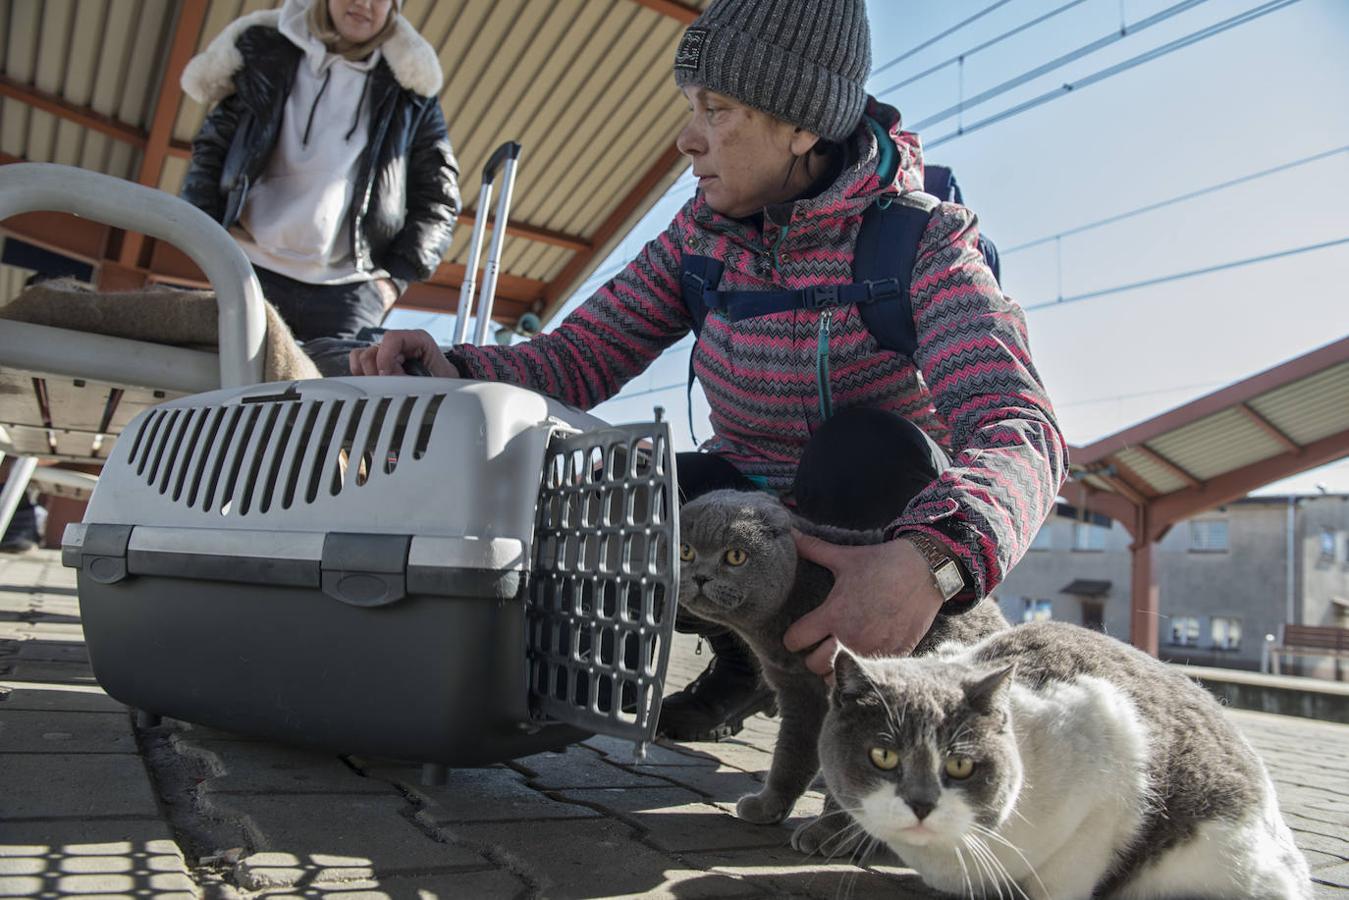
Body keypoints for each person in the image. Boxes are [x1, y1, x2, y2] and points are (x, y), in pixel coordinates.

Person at [350, 0, 1067, 741]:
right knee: (637, 495)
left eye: (716, 110)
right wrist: (455, 366)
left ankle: (871, 706)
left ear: (802, 125)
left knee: (861, 449)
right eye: (691, 107)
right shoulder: (698, 239)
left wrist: (933, 562)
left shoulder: (922, 243)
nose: (687, 138)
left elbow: (1019, 426)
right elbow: (576, 355)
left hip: (871, 529)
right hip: (747, 518)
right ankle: (747, 662)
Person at [179, 0, 460, 343]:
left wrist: (393, 281)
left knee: (347, 379)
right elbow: (212, 148)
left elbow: (439, 196)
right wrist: (209, 242)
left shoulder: (411, 91)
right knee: (226, 374)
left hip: (351, 292)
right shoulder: (266, 54)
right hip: (249, 266)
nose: (363, 3)